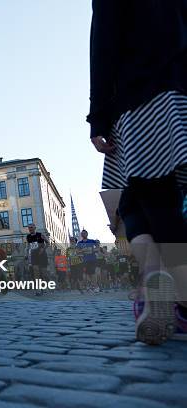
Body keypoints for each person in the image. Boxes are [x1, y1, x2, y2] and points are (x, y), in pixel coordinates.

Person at [87, 0, 187, 345]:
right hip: (181, 88)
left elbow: (103, 44)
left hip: (139, 95)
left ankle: (173, 284)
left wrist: (97, 115)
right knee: (138, 199)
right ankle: (161, 284)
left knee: (152, 197)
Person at [26, 224, 49, 296]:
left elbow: (48, 243)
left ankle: (44, 286)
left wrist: (43, 249)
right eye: (29, 228)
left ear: (35, 228)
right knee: (36, 272)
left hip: (42, 255)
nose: (30, 229)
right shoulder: (28, 237)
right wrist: (27, 255)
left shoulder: (40, 235)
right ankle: (38, 289)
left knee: (43, 273)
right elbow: (29, 246)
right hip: (34, 256)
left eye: (31, 227)